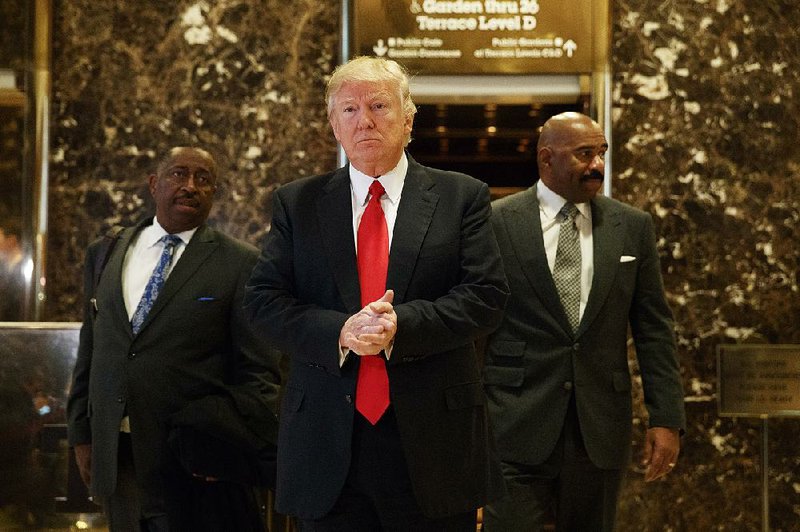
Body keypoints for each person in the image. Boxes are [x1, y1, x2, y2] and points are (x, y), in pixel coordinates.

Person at [244, 56, 509, 531]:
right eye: (349, 109)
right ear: (333, 125)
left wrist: (399, 326)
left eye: (379, 105)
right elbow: (264, 301)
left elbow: (485, 295)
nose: (364, 119)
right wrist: (341, 331)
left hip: (433, 445)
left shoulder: (461, 196)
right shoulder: (297, 202)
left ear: (409, 118)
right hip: (325, 443)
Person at [482, 112, 686, 531]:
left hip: (598, 428)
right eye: (584, 154)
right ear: (546, 159)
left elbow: (653, 329)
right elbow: (475, 321)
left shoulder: (632, 226)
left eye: (601, 153)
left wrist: (666, 418)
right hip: (514, 421)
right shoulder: (496, 222)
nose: (597, 165)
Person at [66, 147, 281, 531]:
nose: (190, 187)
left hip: (192, 462)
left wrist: (231, 450)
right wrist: (82, 434)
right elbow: (91, 348)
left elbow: (258, 372)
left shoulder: (241, 263)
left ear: (214, 193)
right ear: (154, 184)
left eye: (203, 180)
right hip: (117, 455)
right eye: (178, 175)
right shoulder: (105, 252)